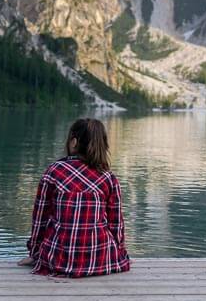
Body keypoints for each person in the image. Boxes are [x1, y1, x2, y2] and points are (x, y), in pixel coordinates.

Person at [18, 117, 131, 276]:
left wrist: (35, 253)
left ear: (74, 142)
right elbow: (116, 224)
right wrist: (119, 253)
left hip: (57, 260)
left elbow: (40, 220)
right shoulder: (108, 178)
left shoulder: (54, 171)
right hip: (101, 259)